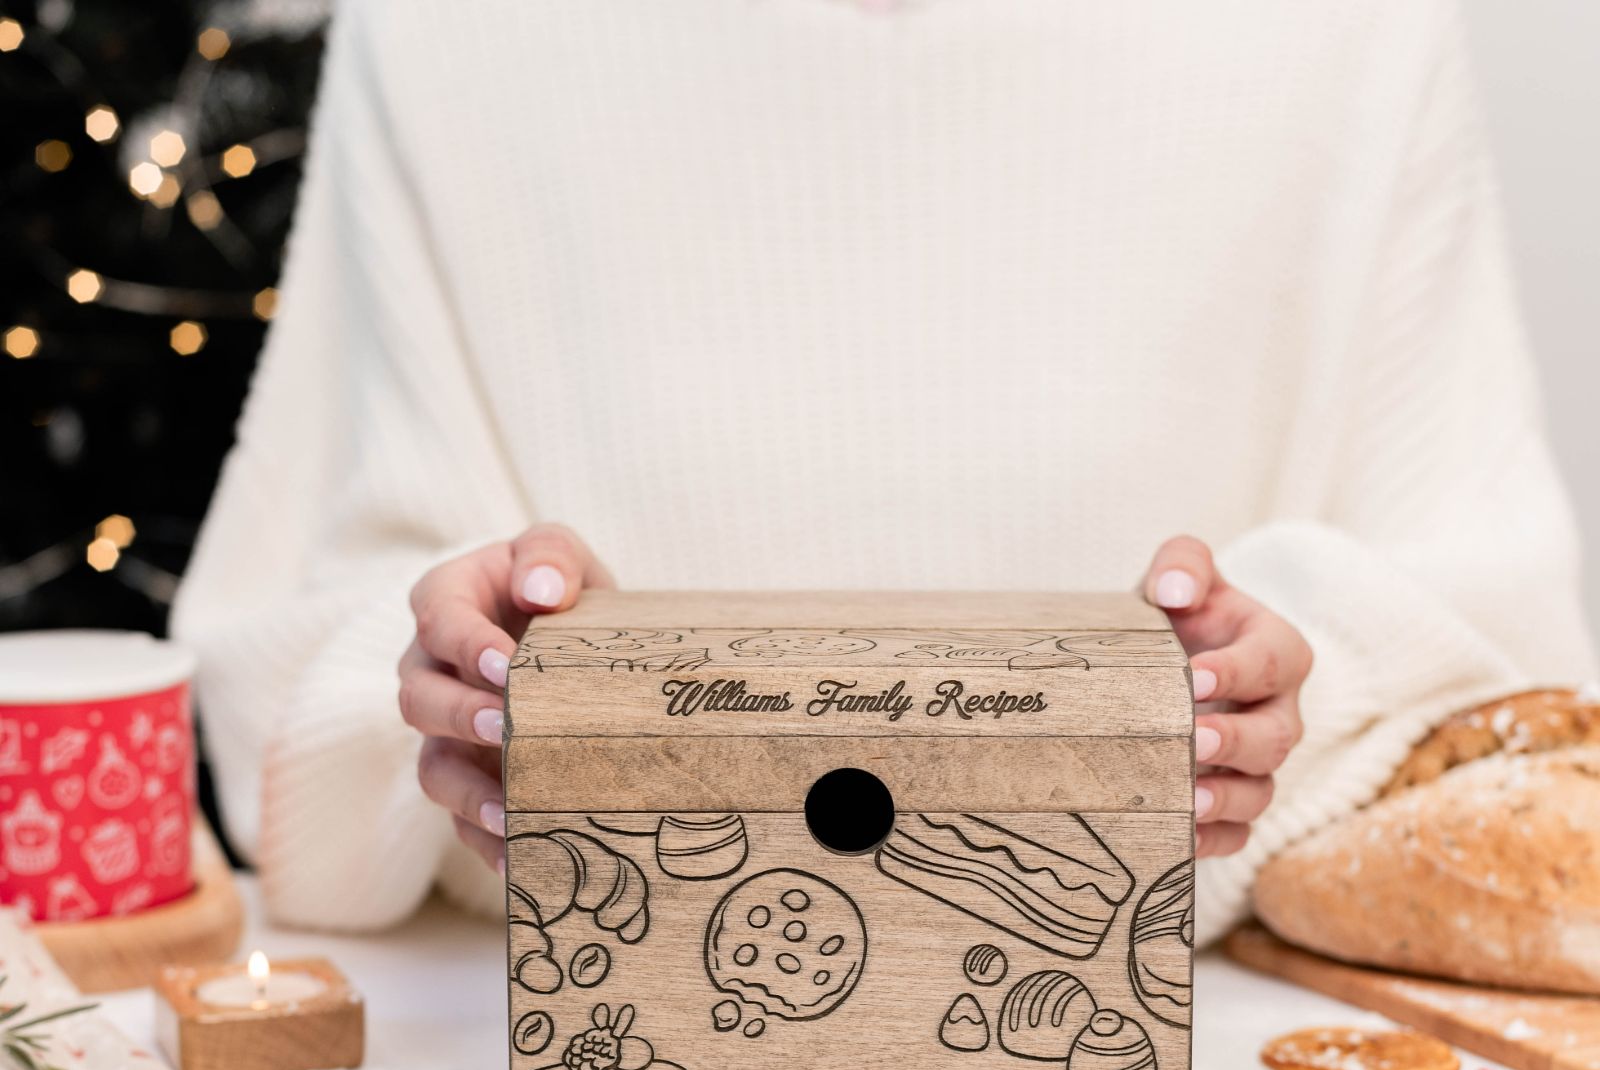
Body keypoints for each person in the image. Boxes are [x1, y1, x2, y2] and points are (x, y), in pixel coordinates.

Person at [174, 0, 1593, 944]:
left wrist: (1275, 696)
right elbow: (294, 646)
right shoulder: (445, 32)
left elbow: (1499, 634)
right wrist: (469, 680)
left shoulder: (1350, 31)